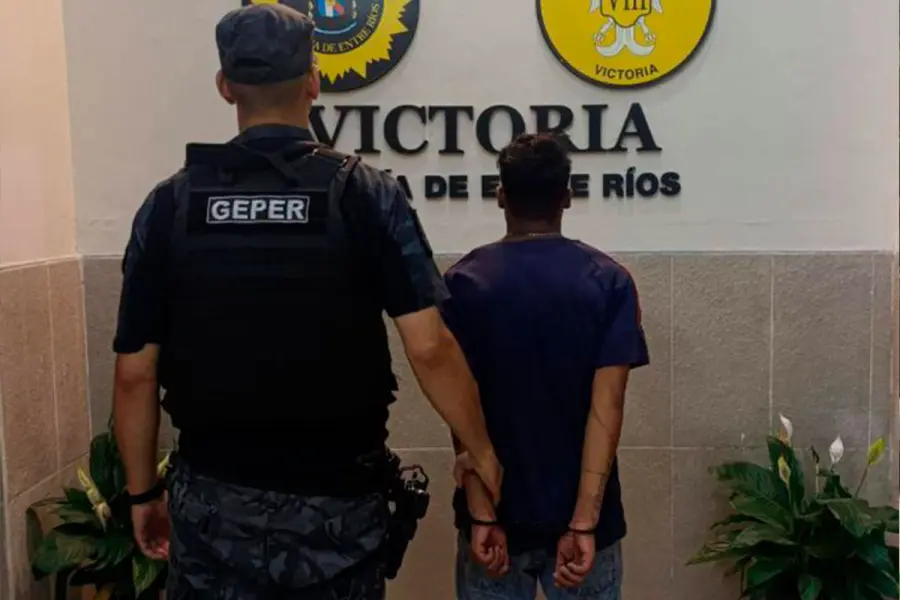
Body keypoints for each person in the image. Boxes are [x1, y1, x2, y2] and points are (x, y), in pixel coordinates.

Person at [111, 4, 501, 599]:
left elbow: (136, 373)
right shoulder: (366, 195)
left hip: (214, 505)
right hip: (337, 512)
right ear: (315, 82)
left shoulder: (170, 206)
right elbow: (429, 345)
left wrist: (142, 493)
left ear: (224, 87)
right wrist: (481, 451)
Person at [443, 133, 649, 600]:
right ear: (567, 197)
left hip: (493, 519)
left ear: (500, 196)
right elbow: (608, 406)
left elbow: (461, 413)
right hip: (584, 527)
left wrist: (482, 513)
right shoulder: (609, 282)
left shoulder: (462, 283)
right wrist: (583, 521)